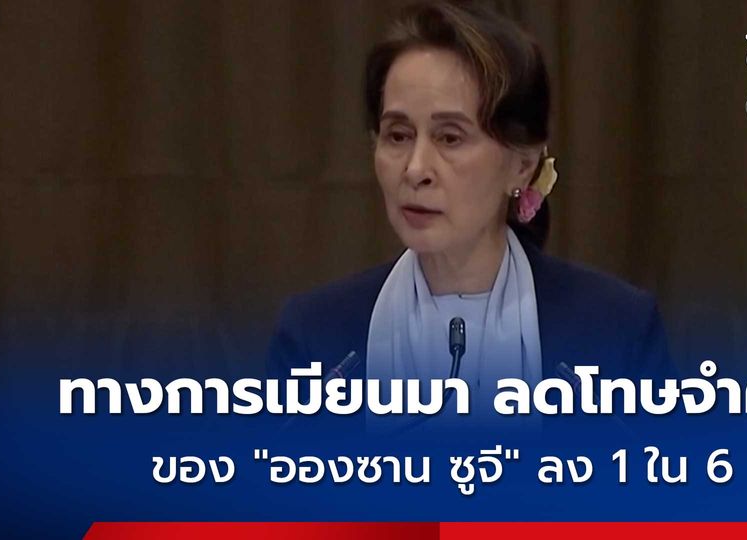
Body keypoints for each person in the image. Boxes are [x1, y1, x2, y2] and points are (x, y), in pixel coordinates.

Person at [269, 1, 672, 426]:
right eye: (398, 135)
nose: (416, 169)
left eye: (450, 137)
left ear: (522, 165)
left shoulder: (618, 331)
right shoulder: (315, 340)